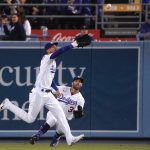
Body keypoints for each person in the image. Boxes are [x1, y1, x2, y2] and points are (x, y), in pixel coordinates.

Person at [0, 40, 89, 145]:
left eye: (56, 46)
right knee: (30, 119)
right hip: (38, 93)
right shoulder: (47, 58)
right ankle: (8, 104)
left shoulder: (53, 63)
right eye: (53, 46)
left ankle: (70, 138)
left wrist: (56, 89)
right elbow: (60, 52)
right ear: (48, 49)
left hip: (47, 94)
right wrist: (73, 45)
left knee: (60, 115)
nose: (55, 47)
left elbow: (50, 80)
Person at [30, 76, 85, 147]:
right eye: (76, 80)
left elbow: (77, 113)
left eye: (80, 82)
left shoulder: (81, 99)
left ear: (81, 85)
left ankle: (56, 137)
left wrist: (78, 113)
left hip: (64, 118)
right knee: (53, 119)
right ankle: (37, 135)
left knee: (61, 130)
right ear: (72, 82)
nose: (78, 82)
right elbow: (49, 87)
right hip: (53, 112)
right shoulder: (62, 89)